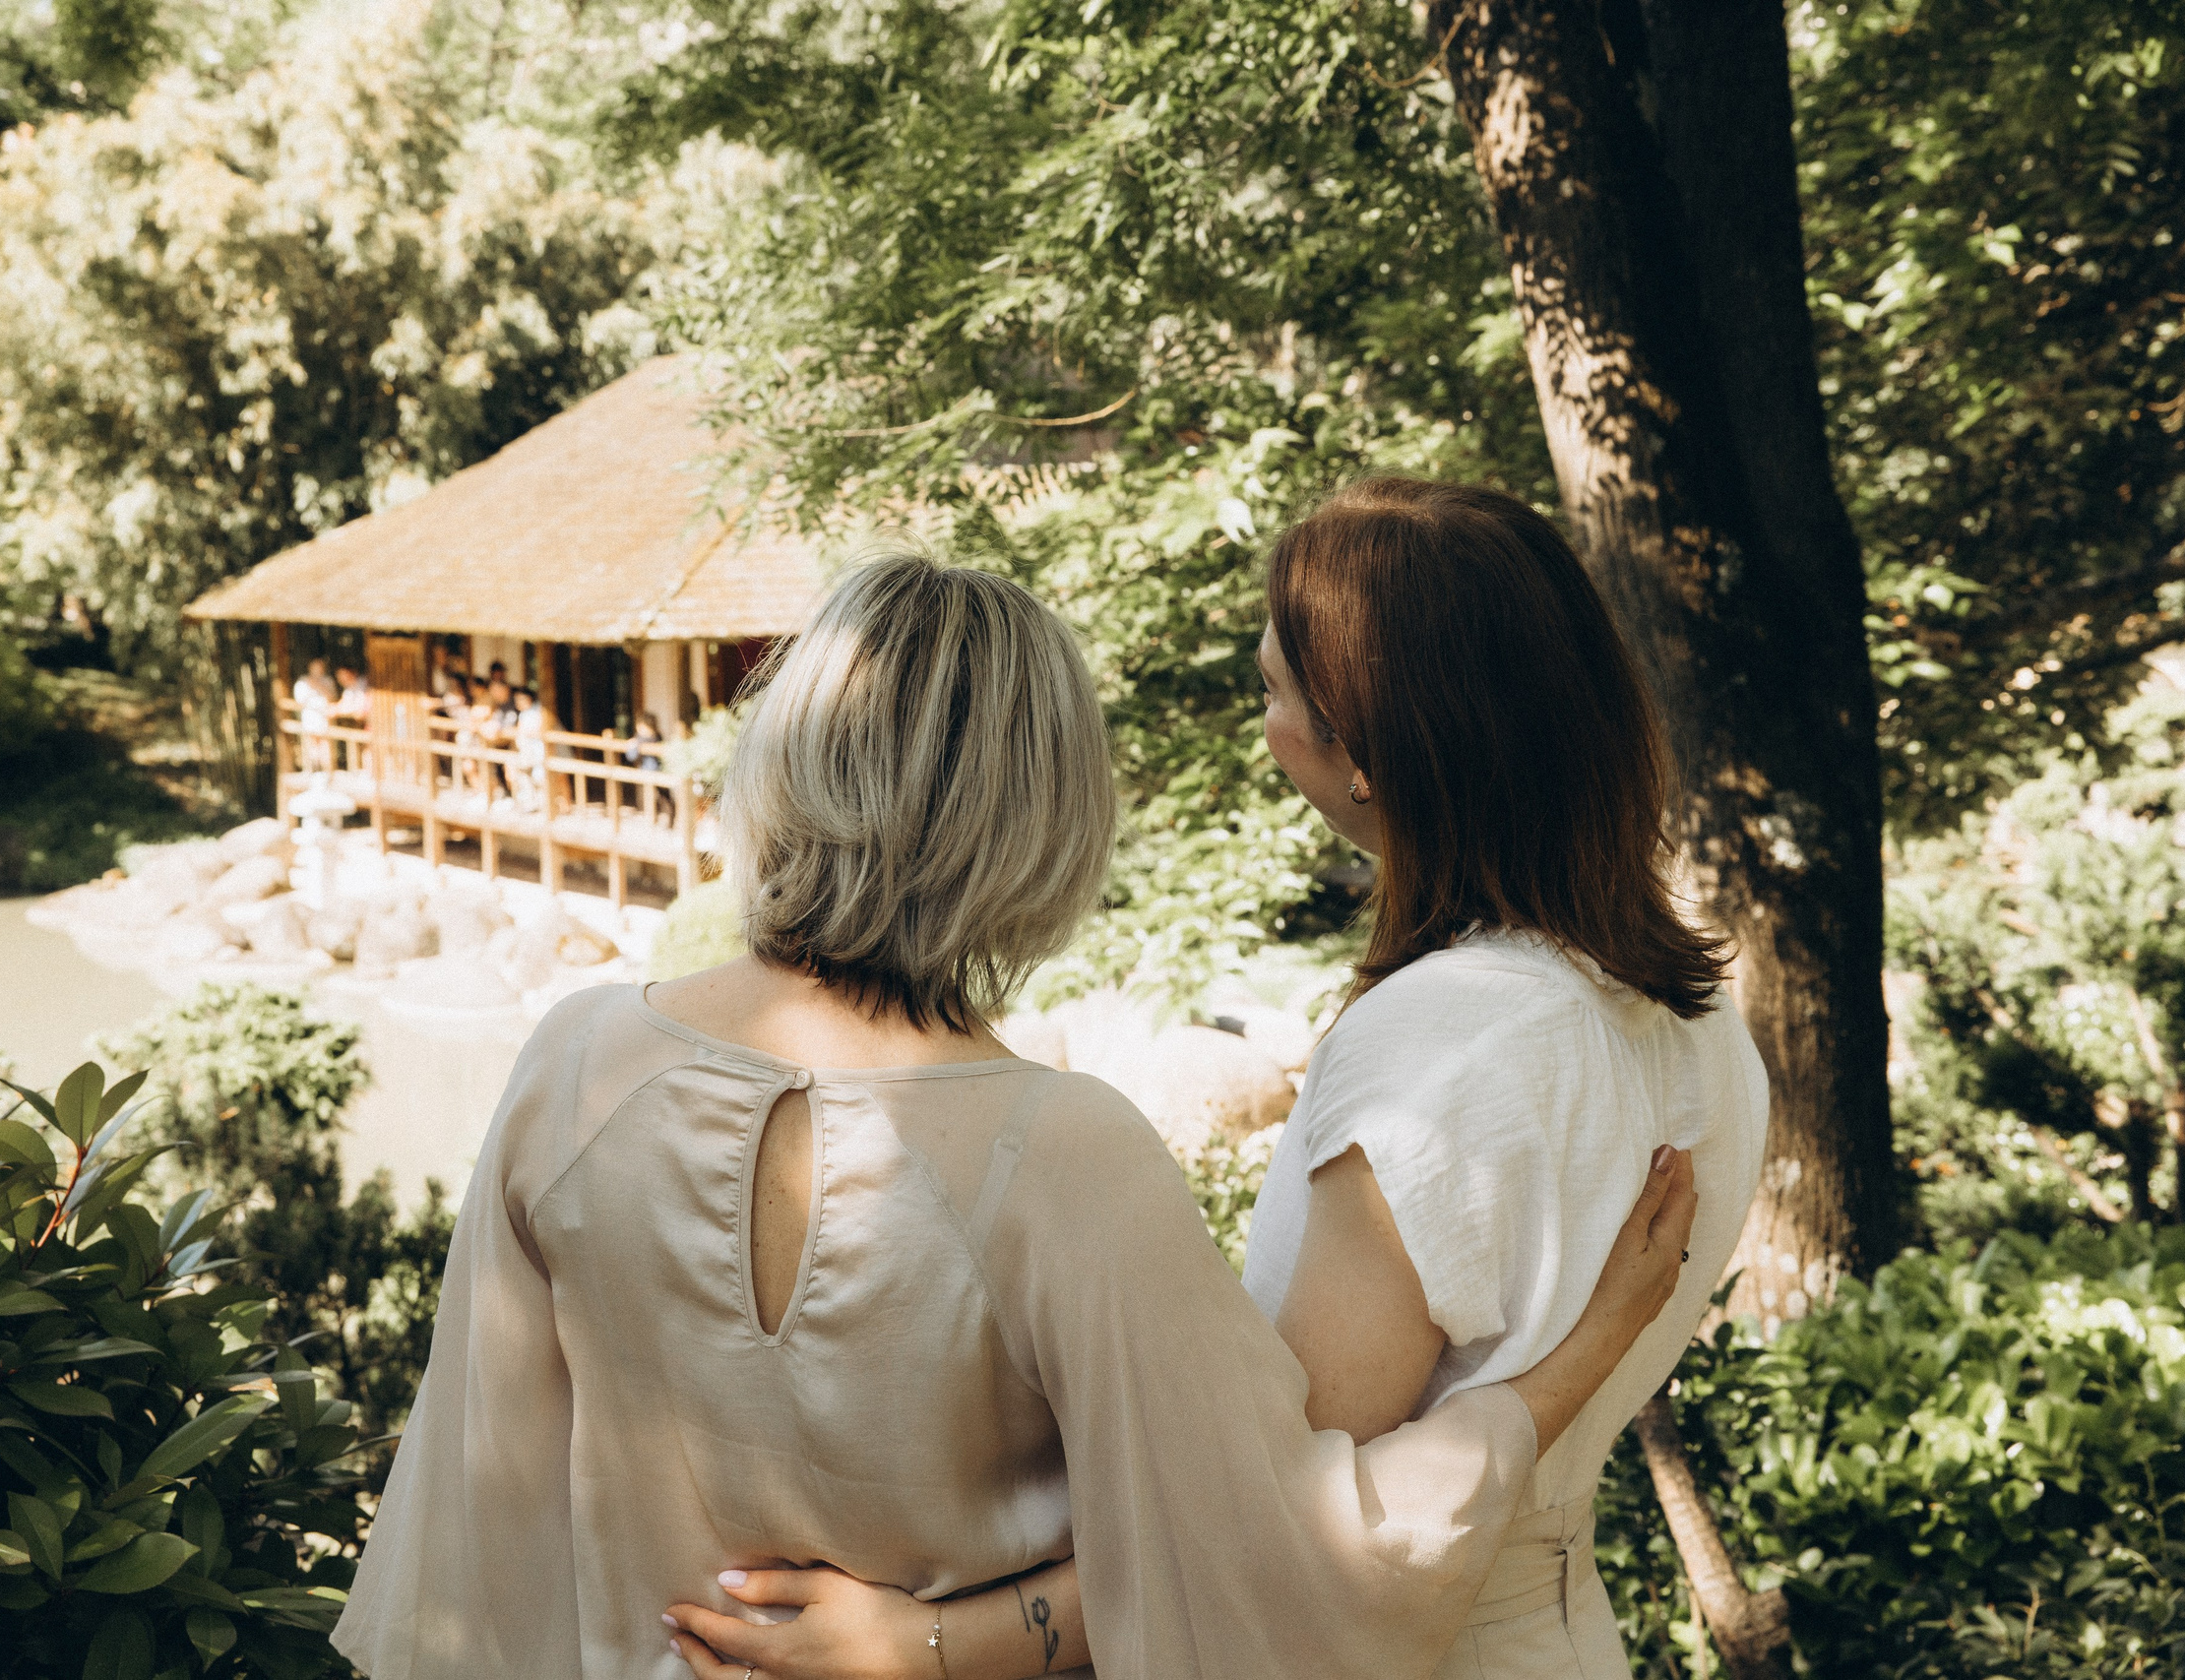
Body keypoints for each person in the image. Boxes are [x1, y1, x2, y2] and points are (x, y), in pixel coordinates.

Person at [331, 554, 1699, 1680]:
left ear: (783, 758)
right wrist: (1569, 1366)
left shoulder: (573, 1063)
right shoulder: (1066, 1157)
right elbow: (1279, 1566)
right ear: (1045, 820)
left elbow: (476, 1535)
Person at [664, 480, 1767, 1680]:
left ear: (1365, 753)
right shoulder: (1698, 1021)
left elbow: (1275, 1545)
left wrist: (927, 1643)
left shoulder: (1436, 1042)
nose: (1263, 727)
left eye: (1273, 692)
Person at [291, 657, 337, 776]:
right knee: (311, 743)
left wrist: (319, 686)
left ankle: (327, 770)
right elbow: (299, 700)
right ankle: (314, 769)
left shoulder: (328, 680)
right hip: (310, 716)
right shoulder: (303, 681)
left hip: (324, 715)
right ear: (310, 667)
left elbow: (332, 697)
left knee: (325, 743)